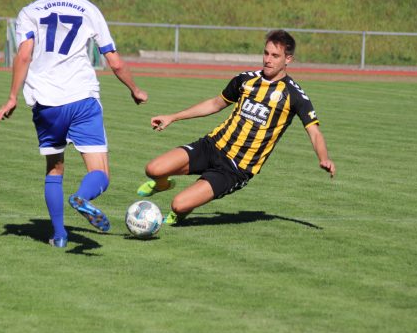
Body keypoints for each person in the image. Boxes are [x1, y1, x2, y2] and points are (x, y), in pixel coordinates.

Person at [0, 0, 148, 248]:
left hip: (46, 102)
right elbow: (114, 60)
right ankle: (82, 197)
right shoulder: (89, 9)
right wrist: (134, 89)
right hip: (82, 97)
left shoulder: (30, 11)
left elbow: (24, 55)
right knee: (100, 172)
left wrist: (12, 96)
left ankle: (59, 235)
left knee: (54, 168)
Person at [137, 29, 335, 225]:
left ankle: (181, 211)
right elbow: (216, 103)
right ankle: (163, 184)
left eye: (275, 56)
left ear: (288, 59)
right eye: (266, 53)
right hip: (212, 146)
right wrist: (173, 117)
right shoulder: (245, 79)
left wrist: (323, 158)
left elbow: (314, 131)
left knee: (178, 205)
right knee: (153, 169)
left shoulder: (294, 95)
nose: (268, 59)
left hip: (236, 168)